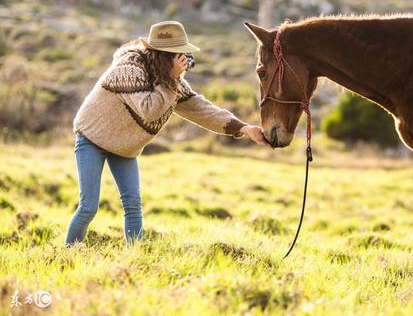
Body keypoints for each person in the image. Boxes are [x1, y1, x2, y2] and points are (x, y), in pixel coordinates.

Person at [65, 21, 268, 245]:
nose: (185, 60)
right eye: (180, 54)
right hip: (92, 138)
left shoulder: (171, 81)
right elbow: (149, 110)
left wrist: (243, 128)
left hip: (123, 146)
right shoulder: (129, 69)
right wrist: (172, 78)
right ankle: (68, 253)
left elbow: (201, 109)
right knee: (88, 207)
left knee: (133, 206)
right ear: (164, 55)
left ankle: (134, 259)